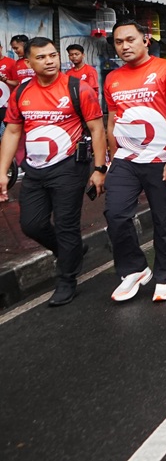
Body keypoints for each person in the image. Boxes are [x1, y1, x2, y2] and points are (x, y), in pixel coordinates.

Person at [0, 37, 107, 306]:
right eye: (42, 57)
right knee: (31, 224)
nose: (49, 61)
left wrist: (99, 168)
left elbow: (97, 129)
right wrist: (2, 171)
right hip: (34, 169)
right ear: (28, 63)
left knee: (66, 224)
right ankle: (70, 250)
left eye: (53, 55)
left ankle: (66, 279)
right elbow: (12, 132)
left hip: (70, 166)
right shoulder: (21, 92)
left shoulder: (78, 88)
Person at [104, 21, 166, 303]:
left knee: (163, 219)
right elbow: (113, 119)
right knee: (116, 215)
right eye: (118, 42)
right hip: (126, 159)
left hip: (161, 158)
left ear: (146, 40)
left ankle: (164, 276)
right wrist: (109, 157)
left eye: (130, 39)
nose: (124, 46)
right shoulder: (112, 78)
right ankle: (135, 268)